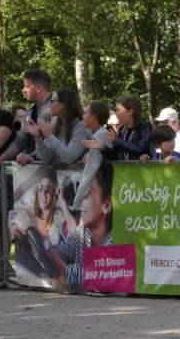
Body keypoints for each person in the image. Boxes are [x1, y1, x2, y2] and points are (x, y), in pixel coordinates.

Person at [12, 161, 114, 293]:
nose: (77, 201)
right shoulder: (83, 233)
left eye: (86, 194)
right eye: (79, 192)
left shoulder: (114, 243)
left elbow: (72, 276)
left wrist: (41, 235)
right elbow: (59, 251)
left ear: (106, 205)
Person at [0, 69, 54, 168]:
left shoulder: (57, 109)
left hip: (58, 172)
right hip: (39, 172)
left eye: (27, 86)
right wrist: (1, 158)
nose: (23, 90)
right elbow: (20, 140)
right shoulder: (31, 112)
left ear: (39, 88)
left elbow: (56, 142)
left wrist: (32, 156)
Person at [33, 88, 90, 166]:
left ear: (63, 105)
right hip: (59, 175)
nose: (50, 105)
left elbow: (69, 157)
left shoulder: (82, 127)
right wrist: (38, 137)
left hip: (79, 176)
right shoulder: (57, 126)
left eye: (52, 101)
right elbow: (46, 159)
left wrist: (50, 136)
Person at [73, 100, 111, 212]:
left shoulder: (100, 136)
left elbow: (89, 174)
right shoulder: (101, 134)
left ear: (94, 117)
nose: (82, 116)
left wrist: (76, 204)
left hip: (104, 195)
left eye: (85, 113)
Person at [95, 95, 152, 162]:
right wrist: (102, 147)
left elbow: (140, 148)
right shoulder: (122, 130)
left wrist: (116, 141)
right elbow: (113, 156)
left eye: (118, 110)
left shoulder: (145, 126)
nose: (116, 114)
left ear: (130, 112)